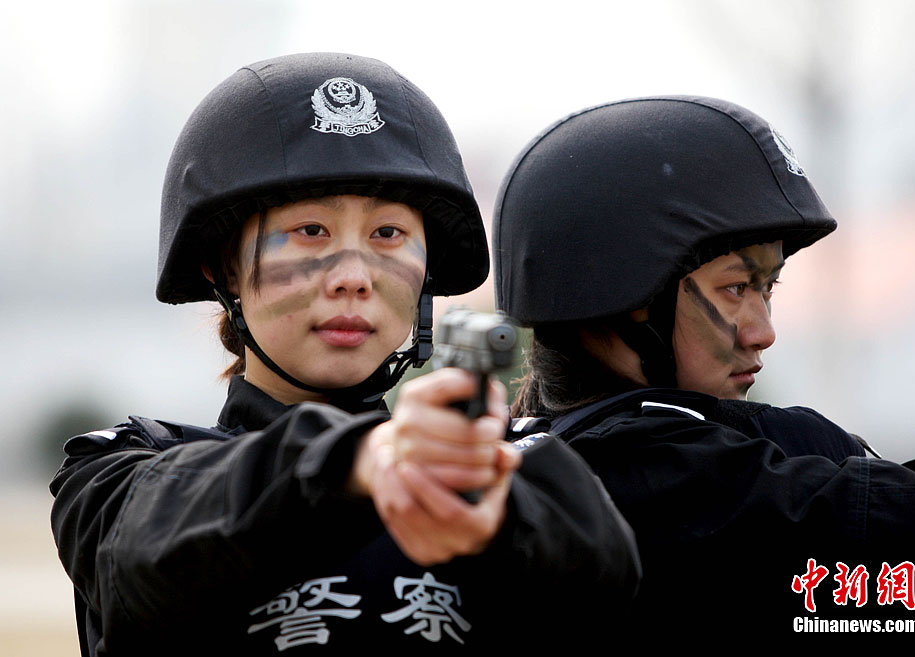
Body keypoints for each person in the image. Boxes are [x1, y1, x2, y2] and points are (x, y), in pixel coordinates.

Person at [50, 53, 640, 655]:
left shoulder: (516, 467)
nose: (353, 277)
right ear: (221, 269)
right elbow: (137, 551)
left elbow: (608, 575)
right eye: (311, 231)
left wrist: (491, 497)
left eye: (388, 234)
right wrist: (364, 460)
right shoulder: (119, 474)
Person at [494, 96, 915, 635]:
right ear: (625, 298)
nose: (763, 332)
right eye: (736, 288)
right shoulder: (656, 481)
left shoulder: (525, 459)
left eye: (768, 289)